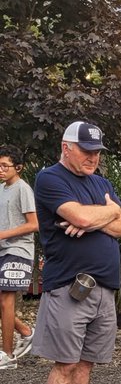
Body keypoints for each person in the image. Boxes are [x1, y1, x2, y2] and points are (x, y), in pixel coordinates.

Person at [32, 121, 121, 384]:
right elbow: (84, 218)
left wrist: (106, 214)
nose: (92, 158)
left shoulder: (101, 182)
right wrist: (107, 213)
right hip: (69, 286)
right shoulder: (51, 179)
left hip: (104, 288)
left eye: (96, 152)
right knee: (65, 362)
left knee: (87, 362)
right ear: (66, 147)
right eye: (86, 151)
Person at [0, 144, 38, 370]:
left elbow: (34, 224)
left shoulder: (23, 189)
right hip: (3, 249)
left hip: (18, 250)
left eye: (5, 166)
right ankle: (25, 332)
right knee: (3, 303)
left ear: (19, 167)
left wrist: (3, 234)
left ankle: (8, 355)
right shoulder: (2, 189)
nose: (1, 170)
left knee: (6, 300)